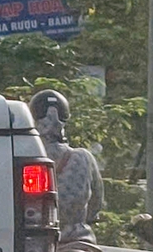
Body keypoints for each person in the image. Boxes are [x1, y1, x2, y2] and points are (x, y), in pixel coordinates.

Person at [31, 88, 104, 240]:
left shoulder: (24, 156)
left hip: (36, 239)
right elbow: (96, 203)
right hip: (78, 238)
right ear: (65, 119)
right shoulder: (84, 157)